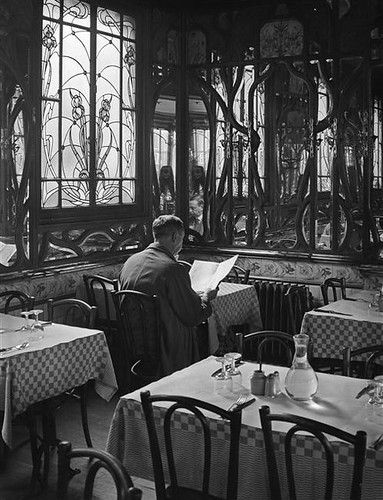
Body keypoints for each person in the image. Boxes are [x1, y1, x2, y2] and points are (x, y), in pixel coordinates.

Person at [119, 215, 217, 375]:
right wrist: (206, 297)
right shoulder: (172, 269)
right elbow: (192, 315)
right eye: (182, 238)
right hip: (166, 344)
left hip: (134, 341)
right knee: (202, 331)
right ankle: (195, 381)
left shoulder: (130, 261)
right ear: (174, 236)